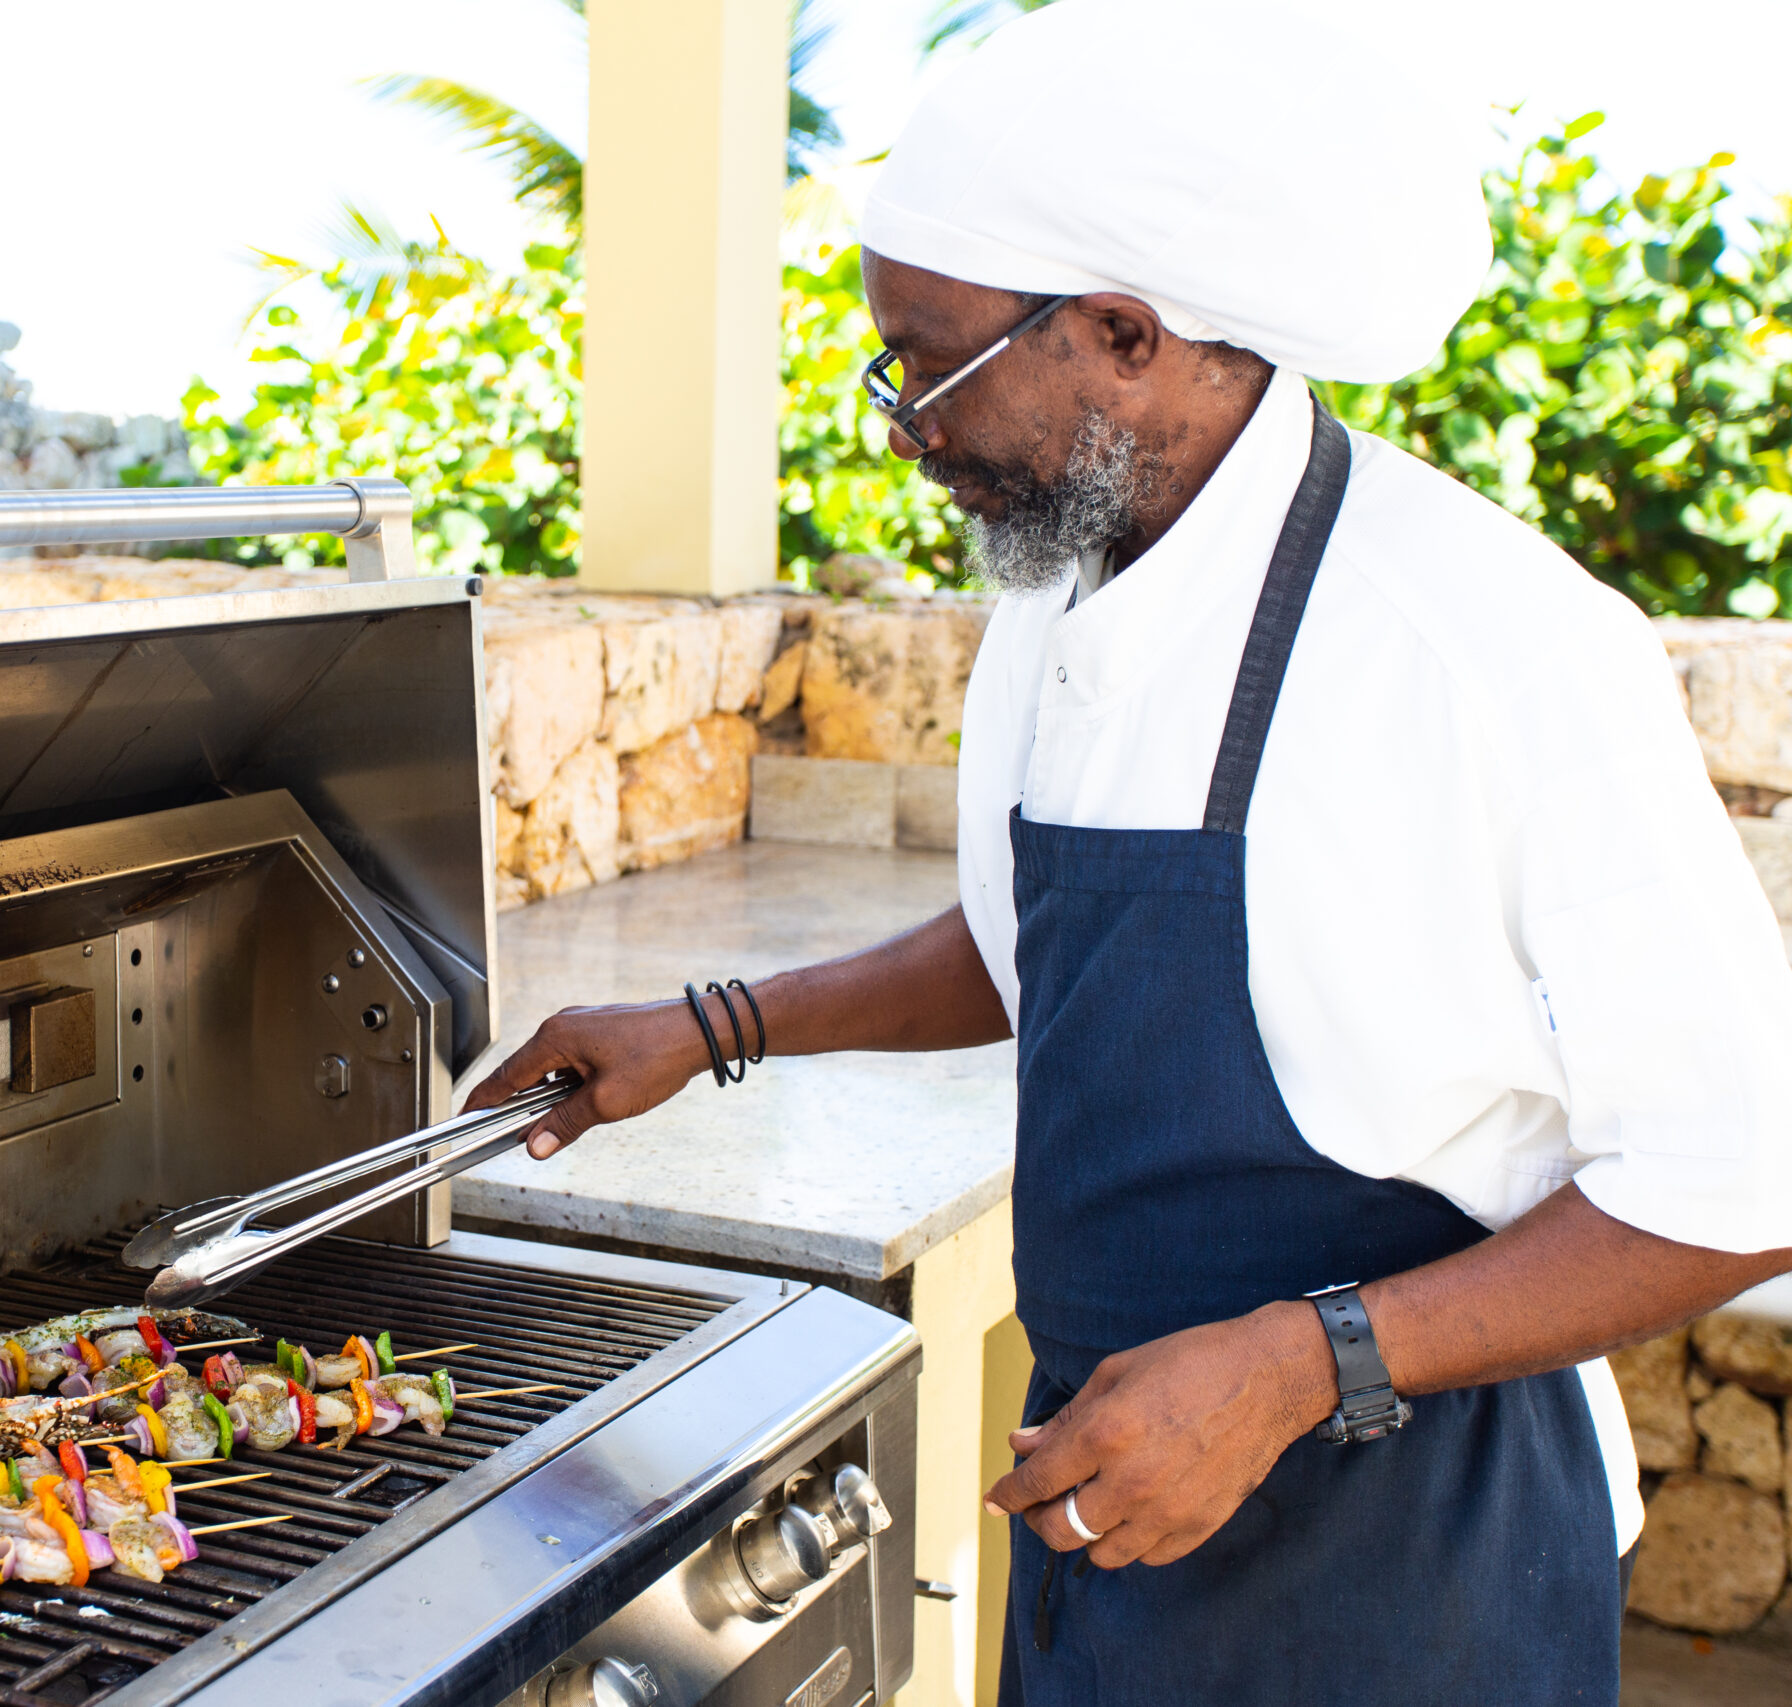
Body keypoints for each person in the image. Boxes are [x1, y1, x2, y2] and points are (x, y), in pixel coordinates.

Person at [463, 2, 1792, 1701]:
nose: (898, 428)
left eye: (929, 370)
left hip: (1420, 1562)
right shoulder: (1066, 578)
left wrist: (1299, 1368)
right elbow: (1043, 938)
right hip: (1119, 1517)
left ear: (1122, 332)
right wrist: (716, 1029)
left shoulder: (1491, 644)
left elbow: (1737, 1179)